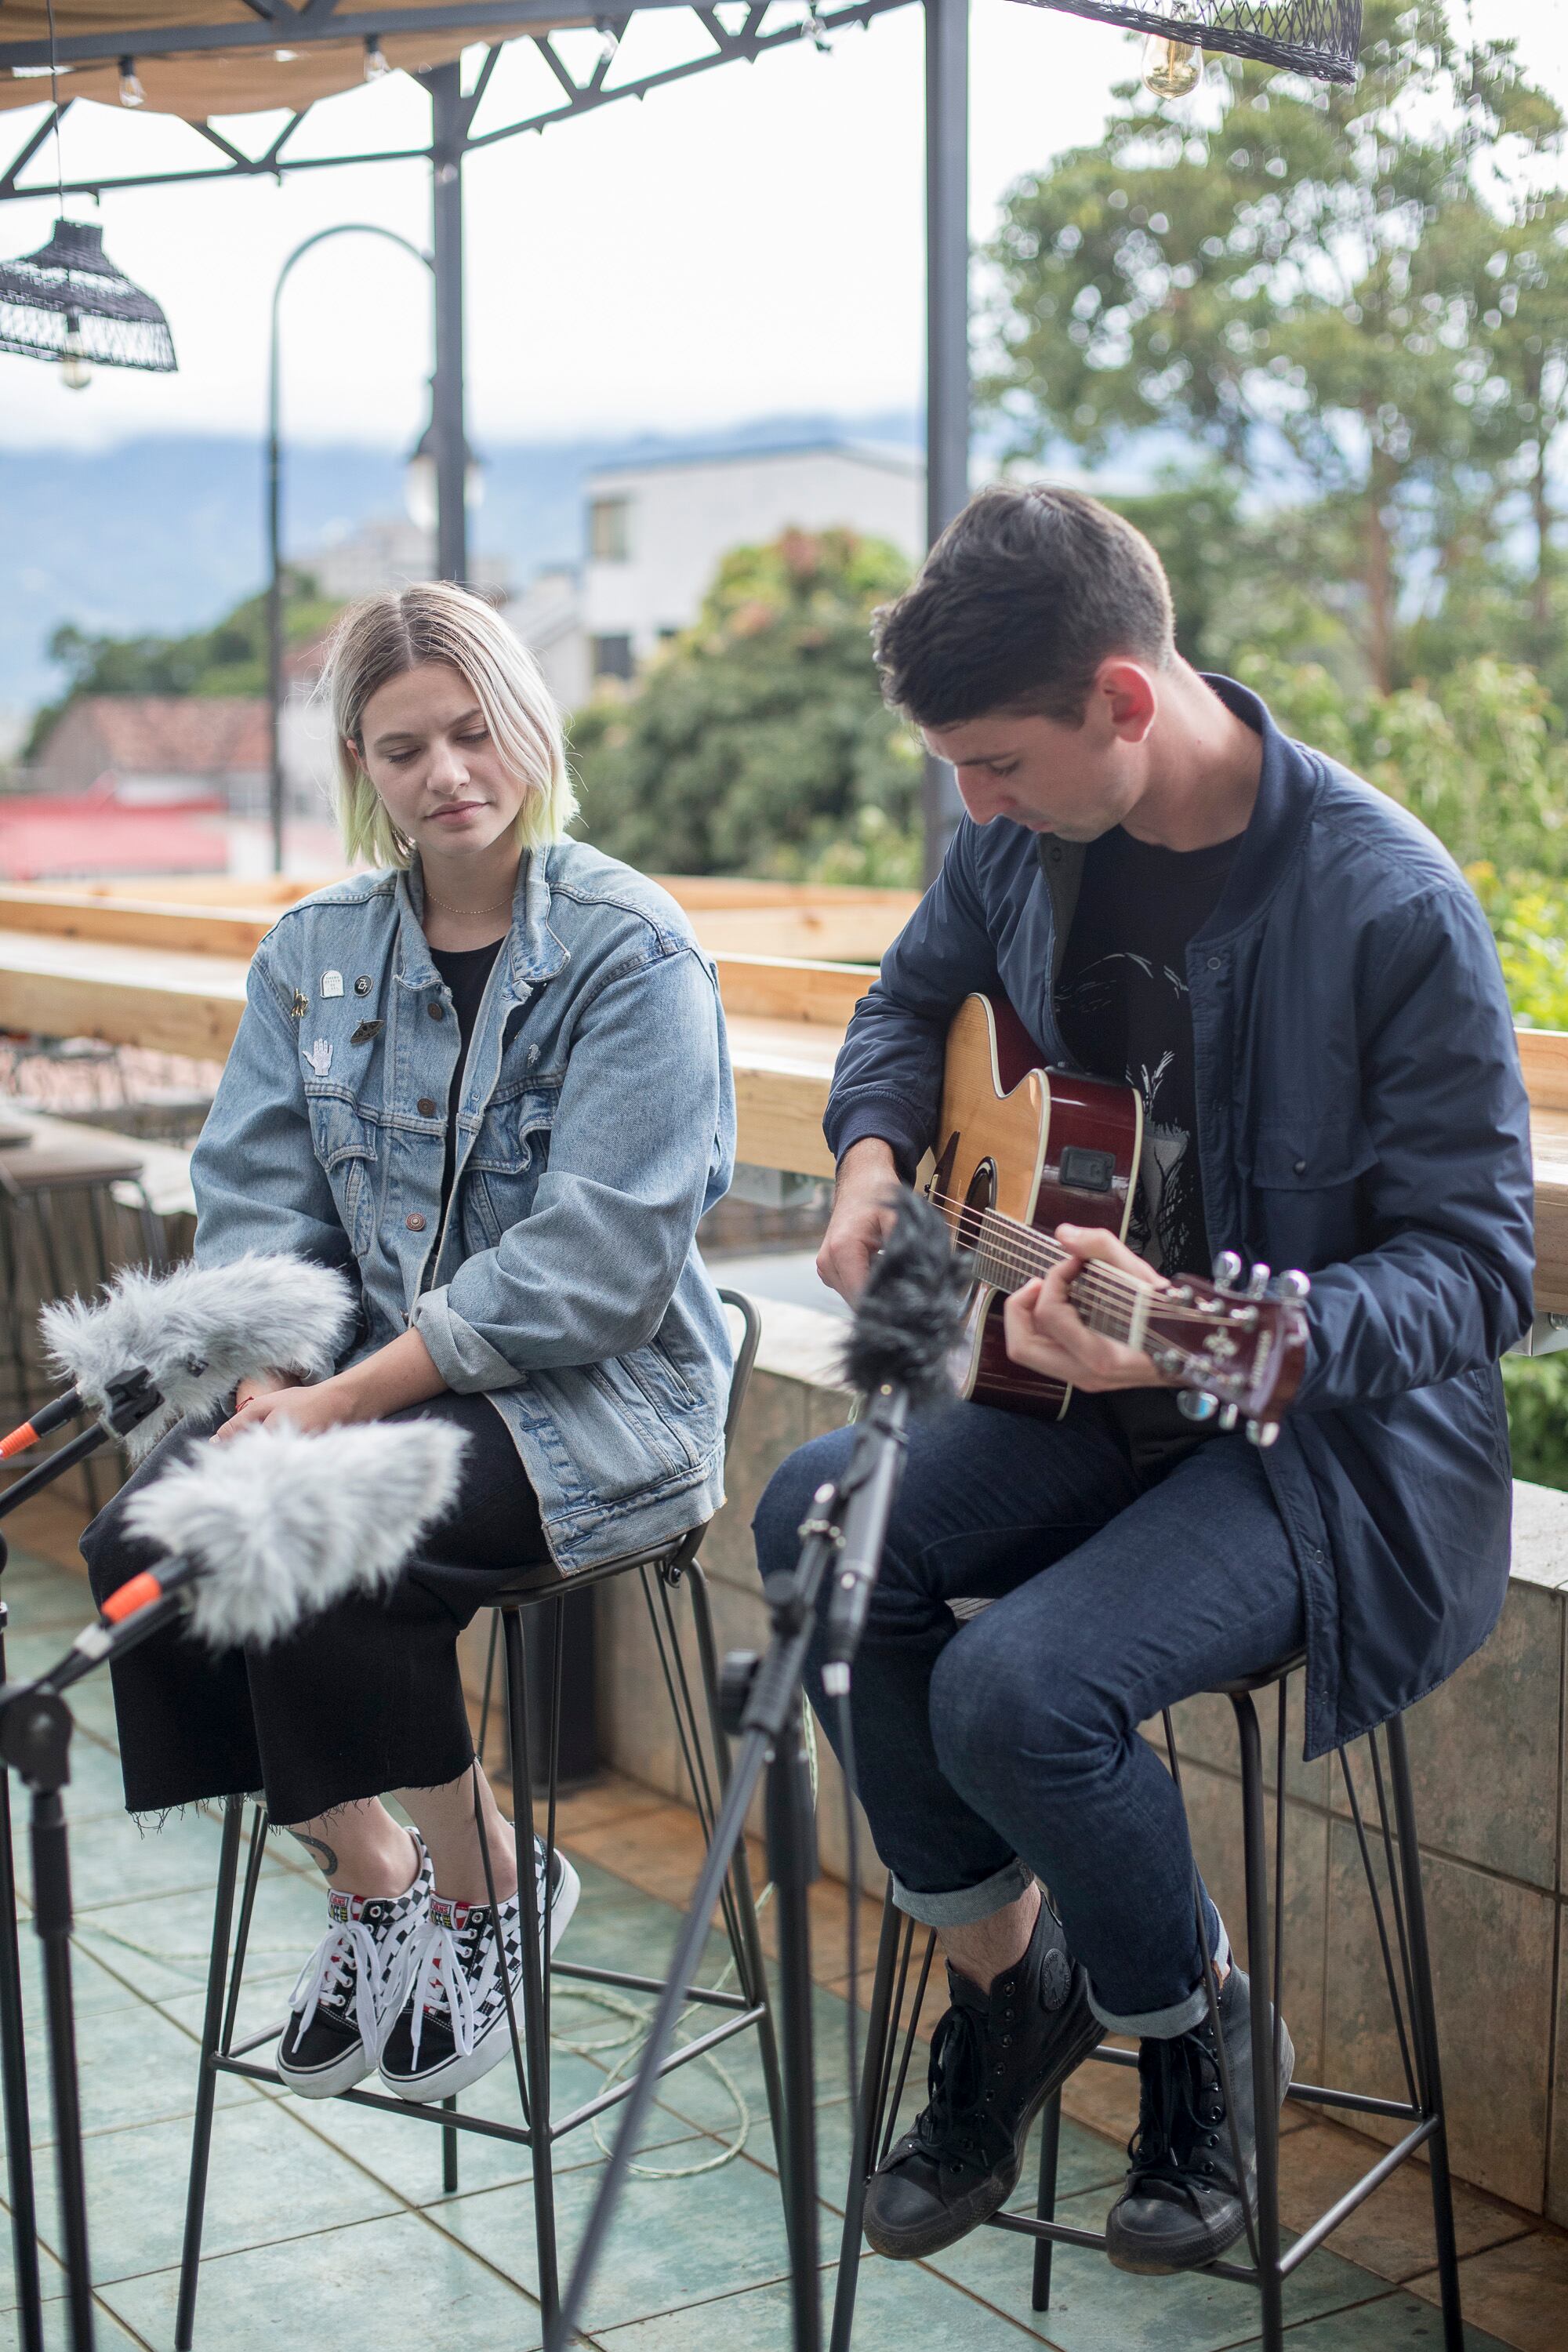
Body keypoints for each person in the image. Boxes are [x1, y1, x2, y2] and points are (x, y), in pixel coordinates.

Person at [754, 486, 1534, 2276]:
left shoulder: (1388, 902)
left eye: (997, 763)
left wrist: (1189, 1331)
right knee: (815, 1533)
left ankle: (1197, 2036)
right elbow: (904, 1008)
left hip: (1314, 1459)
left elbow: (1478, 1271)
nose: (975, 806)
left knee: (1016, 1692)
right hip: (1068, 1401)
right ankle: (1010, 1988)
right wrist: (870, 1161)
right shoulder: (1022, 844)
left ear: (1122, 697)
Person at [82, 581, 736, 2107]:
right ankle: (373, 1875)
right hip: (360, 1384)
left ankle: (488, 1882)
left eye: (473, 731)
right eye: (401, 749)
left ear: (529, 728)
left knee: (332, 1545)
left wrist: (339, 1409)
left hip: (600, 1401)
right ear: (360, 769)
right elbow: (258, 1204)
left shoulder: (633, 950)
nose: (446, 774)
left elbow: (594, 1268)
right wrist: (269, 1378)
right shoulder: (312, 954)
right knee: (142, 1548)